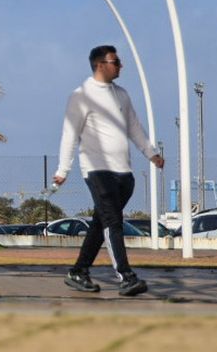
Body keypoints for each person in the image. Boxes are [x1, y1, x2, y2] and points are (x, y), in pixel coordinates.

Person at [54, 44, 165, 296]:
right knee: (113, 222)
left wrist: (152, 154)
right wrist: (63, 169)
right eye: (115, 62)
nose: (120, 66)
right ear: (100, 65)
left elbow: (134, 127)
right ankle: (126, 276)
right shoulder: (81, 96)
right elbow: (69, 135)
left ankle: (78, 271)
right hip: (97, 170)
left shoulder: (122, 95)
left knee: (100, 223)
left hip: (123, 173)